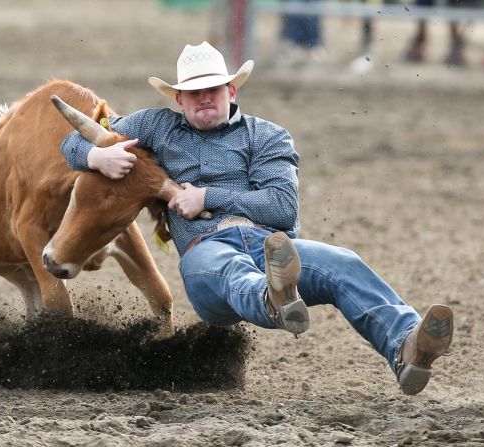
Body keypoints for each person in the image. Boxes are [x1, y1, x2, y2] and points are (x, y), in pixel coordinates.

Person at [60, 41, 454, 395]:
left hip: (272, 245)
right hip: (205, 250)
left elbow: (283, 208)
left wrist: (207, 196)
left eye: (211, 89)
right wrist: (97, 156)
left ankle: (407, 345)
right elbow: (71, 141)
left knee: (344, 263)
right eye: (193, 93)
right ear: (178, 99)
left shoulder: (266, 136)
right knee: (231, 269)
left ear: (231, 90)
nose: (203, 99)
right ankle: (272, 295)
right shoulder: (154, 125)